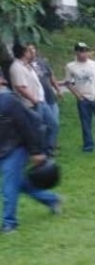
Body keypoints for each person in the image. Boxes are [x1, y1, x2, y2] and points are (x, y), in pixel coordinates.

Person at [0, 73, 62, 234]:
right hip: (3, 149)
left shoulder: (9, 101)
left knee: (8, 186)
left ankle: (9, 223)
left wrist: (36, 151)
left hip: (14, 148)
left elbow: (26, 126)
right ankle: (52, 199)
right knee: (17, 183)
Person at [9, 43, 57, 158]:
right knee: (38, 129)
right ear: (23, 53)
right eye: (28, 51)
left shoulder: (27, 65)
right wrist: (34, 100)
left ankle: (48, 150)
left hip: (41, 101)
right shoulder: (16, 67)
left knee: (53, 124)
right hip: (31, 104)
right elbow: (20, 87)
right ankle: (39, 153)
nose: (31, 52)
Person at [30, 45, 63, 154]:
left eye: (33, 48)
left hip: (50, 96)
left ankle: (52, 144)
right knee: (44, 125)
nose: (32, 51)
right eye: (29, 49)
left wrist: (58, 90)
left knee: (55, 122)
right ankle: (46, 148)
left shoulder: (42, 62)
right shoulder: (26, 66)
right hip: (39, 99)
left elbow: (51, 76)